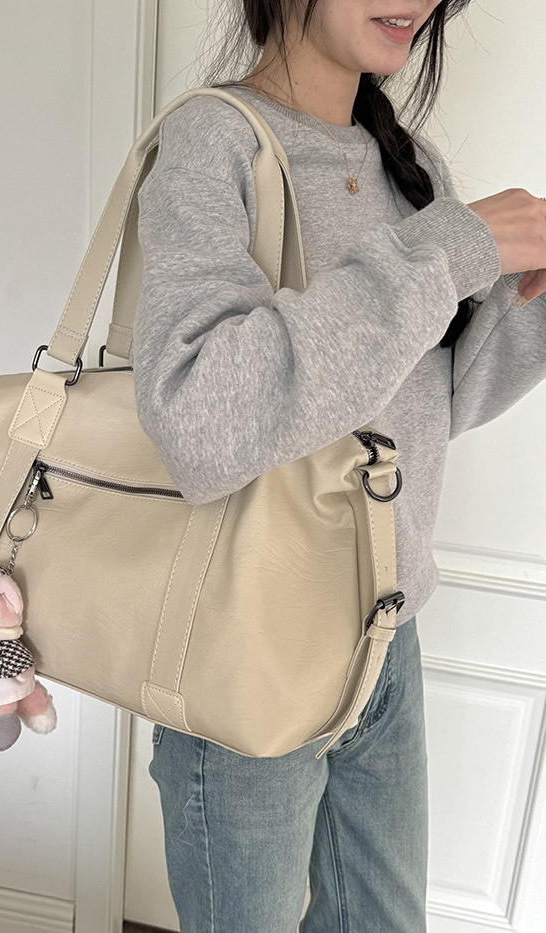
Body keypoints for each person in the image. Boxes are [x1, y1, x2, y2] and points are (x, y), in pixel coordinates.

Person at [128, 2, 546, 930]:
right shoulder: (214, 141)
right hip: (251, 642)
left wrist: (531, 302)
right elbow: (198, 419)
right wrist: (449, 249)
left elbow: (428, 407)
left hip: (388, 640)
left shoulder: (410, 166)